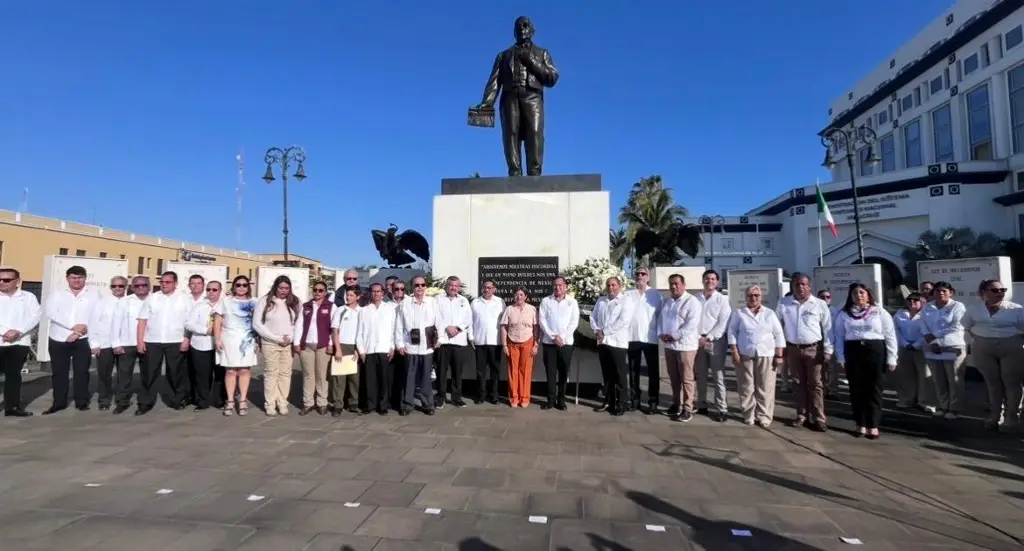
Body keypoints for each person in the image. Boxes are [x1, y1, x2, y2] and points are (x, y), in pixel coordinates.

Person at [834, 283, 898, 440]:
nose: (858, 296)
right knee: (856, 389)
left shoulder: (879, 312)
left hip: (875, 350)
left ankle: (873, 425)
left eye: (862, 292)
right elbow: (839, 336)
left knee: (874, 389)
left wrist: (892, 357)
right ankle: (860, 424)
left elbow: (890, 335)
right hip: (853, 351)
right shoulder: (844, 314)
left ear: (868, 295)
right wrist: (841, 357)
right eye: (855, 293)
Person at [963, 279, 1024, 431]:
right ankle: (995, 415)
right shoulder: (974, 309)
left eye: (1003, 290)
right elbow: (966, 326)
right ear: (983, 293)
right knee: (992, 382)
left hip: (1010, 345)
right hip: (983, 346)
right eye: (995, 290)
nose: (1000, 293)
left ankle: (1012, 417)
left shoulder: (1016, 309)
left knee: (1012, 382)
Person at [776, 273, 832, 432]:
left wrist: (828, 349)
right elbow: (777, 326)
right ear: (792, 286)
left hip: (814, 349)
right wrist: (780, 348)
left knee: (815, 384)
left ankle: (819, 417)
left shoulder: (819, 304)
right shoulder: (784, 303)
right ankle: (802, 414)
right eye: (797, 284)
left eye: (803, 284)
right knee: (798, 383)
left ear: (809, 286)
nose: (800, 287)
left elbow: (828, 328)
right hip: (793, 348)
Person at [44, 265, 100, 414]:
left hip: (83, 339)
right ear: (67, 279)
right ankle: (59, 402)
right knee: (59, 372)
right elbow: (51, 312)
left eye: (80, 277)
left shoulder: (94, 294)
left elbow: (97, 315)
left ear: (85, 279)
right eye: (73, 277)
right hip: (59, 338)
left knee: (82, 372)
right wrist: (73, 327)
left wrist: (79, 332)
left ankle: (81, 401)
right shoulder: (57, 293)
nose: (76, 280)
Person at [727, 285, 784, 428]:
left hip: (766, 354)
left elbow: (778, 334)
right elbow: (732, 332)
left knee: (765, 386)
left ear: (761, 297)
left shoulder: (769, 313)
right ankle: (748, 414)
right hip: (745, 353)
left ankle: (764, 415)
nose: (753, 298)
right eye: (750, 295)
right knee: (746, 386)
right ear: (746, 297)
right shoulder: (739, 313)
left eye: (756, 295)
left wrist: (779, 355)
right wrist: (734, 351)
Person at [136, 271, 194, 413]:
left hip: (176, 340)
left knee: (175, 373)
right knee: (149, 372)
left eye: (167, 282)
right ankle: (146, 402)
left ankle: (176, 399)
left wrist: (186, 339)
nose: (164, 284)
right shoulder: (152, 298)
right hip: (152, 341)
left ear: (175, 283)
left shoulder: (184, 299)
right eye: (162, 282)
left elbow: (190, 322)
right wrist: (140, 341)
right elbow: (142, 320)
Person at [656, 274, 701, 422]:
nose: (673, 287)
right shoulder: (668, 302)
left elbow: (691, 324)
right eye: (671, 284)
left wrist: (675, 335)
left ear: (683, 285)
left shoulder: (691, 301)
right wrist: (662, 334)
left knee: (687, 379)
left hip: (685, 346)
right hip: (670, 346)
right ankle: (676, 404)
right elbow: (661, 319)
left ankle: (688, 408)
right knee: (674, 378)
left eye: (676, 284)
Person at [253, 275, 301, 416]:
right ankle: (270, 403)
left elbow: (299, 323)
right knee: (271, 373)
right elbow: (257, 324)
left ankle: (282, 402)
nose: (283, 291)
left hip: (287, 344)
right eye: (281, 288)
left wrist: (291, 338)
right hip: (270, 343)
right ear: (275, 287)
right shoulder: (265, 301)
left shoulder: (295, 302)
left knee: (285, 374)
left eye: (286, 288)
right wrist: (275, 338)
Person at [919, 281, 967, 420]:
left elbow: (955, 325)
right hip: (932, 347)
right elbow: (923, 325)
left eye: (944, 291)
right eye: (938, 291)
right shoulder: (928, 307)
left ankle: (955, 408)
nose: (941, 293)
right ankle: (943, 406)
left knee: (954, 380)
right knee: (938, 379)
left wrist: (935, 336)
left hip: (952, 346)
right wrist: (933, 341)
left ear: (950, 292)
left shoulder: (957, 306)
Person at [213, 275, 258, 416]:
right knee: (231, 371)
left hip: (247, 339)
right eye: (238, 285)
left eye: (244, 285)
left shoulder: (254, 302)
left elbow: (258, 323)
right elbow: (218, 321)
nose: (241, 287)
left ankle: (243, 399)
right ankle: (231, 400)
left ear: (248, 287)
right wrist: (217, 339)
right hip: (229, 339)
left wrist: (257, 340)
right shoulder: (225, 301)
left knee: (244, 370)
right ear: (233, 286)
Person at [591, 276, 635, 416]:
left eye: (614, 285)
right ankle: (609, 401)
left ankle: (622, 403)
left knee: (620, 375)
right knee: (607, 375)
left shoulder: (625, 301)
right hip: (603, 342)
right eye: (609, 285)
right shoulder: (601, 300)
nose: (611, 288)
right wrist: (596, 330)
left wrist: (604, 331)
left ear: (620, 286)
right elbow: (593, 317)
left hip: (617, 343)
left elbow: (623, 321)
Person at [0, 267, 40, 417]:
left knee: (13, 375)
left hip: (19, 342)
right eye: (0, 279)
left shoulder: (28, 297)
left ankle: (12, 407)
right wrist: (4, 331)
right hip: (0, 340)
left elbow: (35, 316)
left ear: (17, 281)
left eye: (7, 280)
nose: (2, 282)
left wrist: (19, 331)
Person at [356, 282, 400, 415]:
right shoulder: (364, 310)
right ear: (370, 293)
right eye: (374, 291)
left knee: (383, 379)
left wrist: (392, 347)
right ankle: (370, 404)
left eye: (378, 291)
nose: (376, 294)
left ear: (383, 293)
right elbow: (360, 332)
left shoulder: (389, 309)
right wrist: (361, 350)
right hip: (369, 349)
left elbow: (394, 329)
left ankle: (383, 405)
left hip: (384, 348)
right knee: (370, 379)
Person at [396, 275, 437, 416]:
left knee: (426, 377)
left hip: (427, 346)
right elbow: (399, 326)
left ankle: (428, 404)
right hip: (410, 346)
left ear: (425, 286)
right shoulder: (405, 304)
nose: (419, 287)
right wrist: (399, 344)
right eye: (416, 285)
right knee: (409, 377)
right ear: (412, 287)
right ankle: (407, 404)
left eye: (422, 285)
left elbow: (440, 321)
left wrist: (440, 339)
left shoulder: (432, 302)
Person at [695, 269, 732, 422]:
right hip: (698, 341)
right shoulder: (696, 298)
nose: (709, 281)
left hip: (716, 342)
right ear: (703, 280)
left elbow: (722, 323)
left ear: (717, 282)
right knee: (700, 375)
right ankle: (702, 404)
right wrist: (698, 338)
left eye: (712, 279)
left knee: (718, 376)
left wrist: (709, 337)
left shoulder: (722, 300)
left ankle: (721, 408)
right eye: (707, 278)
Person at [294, 281, 335, 416]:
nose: (317, 292)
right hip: (307, 346)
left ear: (325, 292)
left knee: (322, 376)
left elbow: (333, 328)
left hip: (322, 346)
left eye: (321, 290)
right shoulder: (306, 306)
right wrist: (296, 342)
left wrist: (330, 344)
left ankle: (322, 402)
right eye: (315, 290)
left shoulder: (331, 306)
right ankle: (308, 403)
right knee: (308, 375)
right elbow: (299, 324)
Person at [538, 276, 579, 411]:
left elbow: (574, 322)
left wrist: (562, 337)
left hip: (566, 343)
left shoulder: (572, 302)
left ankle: (561, 400)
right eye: (555, 285)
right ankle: (550, 400)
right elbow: (542, 320)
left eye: (560, 285)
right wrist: (552, 336)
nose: (557, 287)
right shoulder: (546, 301)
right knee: (550, 372)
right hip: (549, 343)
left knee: (563, 372)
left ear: (565, 286)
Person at [625, 267, 662, 413]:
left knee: (653, 371)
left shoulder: (655, 294)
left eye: (643, 274)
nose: (640, 276)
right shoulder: (627, 294)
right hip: (632, 337)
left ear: (648, 277)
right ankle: (635, 400)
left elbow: (660, 316)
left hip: (650, 337)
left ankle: (653, 401)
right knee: (633, 370)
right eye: (637, 274)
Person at [112, 275, 149, 414]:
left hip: (148, 343)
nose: (140, 288)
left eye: (144, 285)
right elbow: (116, 323)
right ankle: (122, 402)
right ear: (132, 287)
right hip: (127, 343)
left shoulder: (154, 300)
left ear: (149, 286)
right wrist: (116, 343)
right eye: (137, 285)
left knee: (148, 374)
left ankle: (145, 401)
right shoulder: (124, 301)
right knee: (124, 375)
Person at [434, 276, 472, 409]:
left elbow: (468, 318)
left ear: (459, 287)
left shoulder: (464, 301)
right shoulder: (438, 299)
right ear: (447, 285)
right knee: (441, 372)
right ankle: (440, 397)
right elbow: (436, 316)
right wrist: (447, 327)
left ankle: (456, 398)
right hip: (443, 341)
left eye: (456, 286)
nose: (454, 288)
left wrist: (458, 328)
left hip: (459, 341)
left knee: (457, 372)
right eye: (451, 285)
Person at [183, 280, 221, 411]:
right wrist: (205, 330)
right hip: (201, 344)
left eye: (214, 290)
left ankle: (220, 400)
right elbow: (189, 324)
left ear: (220, 291)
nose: (211, 292)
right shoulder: (199, 306)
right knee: (202, 375)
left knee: (220, 374)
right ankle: (202, 401)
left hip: (219, 346)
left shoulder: (224, 305)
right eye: (209, 289)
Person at [893, 292, 934, 412]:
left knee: (924, 375)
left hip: (922, 347)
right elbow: (895, 329)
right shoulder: (900, 313)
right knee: (906, 375)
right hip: (904, 347)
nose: (912, 302)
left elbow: (928, 331)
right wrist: (904, 343)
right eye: (909, 300)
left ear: (922, 302)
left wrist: (917, 344)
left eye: (915, 300)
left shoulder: (927, 314)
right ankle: (907, 399)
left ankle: (924, 401)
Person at [500, 287, 540, 408]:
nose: (519, 297)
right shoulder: (509, 309)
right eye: (517, 295)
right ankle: (514, 398)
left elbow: (536, 328)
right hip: (512, 341)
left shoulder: (532, 309)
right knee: (513, 371)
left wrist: (536, 344)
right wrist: (504, 344)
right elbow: (504, 327)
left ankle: (525, 397)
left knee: (525, 371)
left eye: (521, 295)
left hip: (528, 341)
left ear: (526, 297)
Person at [91, 276, 126, 411]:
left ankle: (121, 400)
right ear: (111, 287)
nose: (117, 288)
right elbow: (93, 323)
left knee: (123, 375)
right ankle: (104, 400)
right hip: (105, 343)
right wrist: (94, 343)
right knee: (104, 374)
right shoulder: (102, 303)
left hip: (124, 344)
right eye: (114, 286)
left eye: (121, 286)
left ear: (126, 287)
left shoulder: (130, 302)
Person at [471, 279, 505, 405]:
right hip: (480, 341)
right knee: (480, 371)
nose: (487, 289)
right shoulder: (475, 302)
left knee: (495, 370)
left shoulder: (500, 302)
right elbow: (470, 321)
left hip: (495, 341)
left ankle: (494, 395)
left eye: (490, 287)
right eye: (485, 287)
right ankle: (481, 395)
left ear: (494, 289)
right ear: (482, 288)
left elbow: (504, 322)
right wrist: (471, 337)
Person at [330, 287, 363, 416]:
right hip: (342, 346)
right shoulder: (340, 310)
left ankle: (353, 403)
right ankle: (338, 405)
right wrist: (338, 349)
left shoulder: (362, 311)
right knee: (339, 378)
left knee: (354, 378)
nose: (348, 297)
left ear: (357, 297)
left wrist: (358, 349)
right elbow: (335, 331)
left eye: (351, 295)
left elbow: (364, 331)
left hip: (355, 346)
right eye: (347, 295)